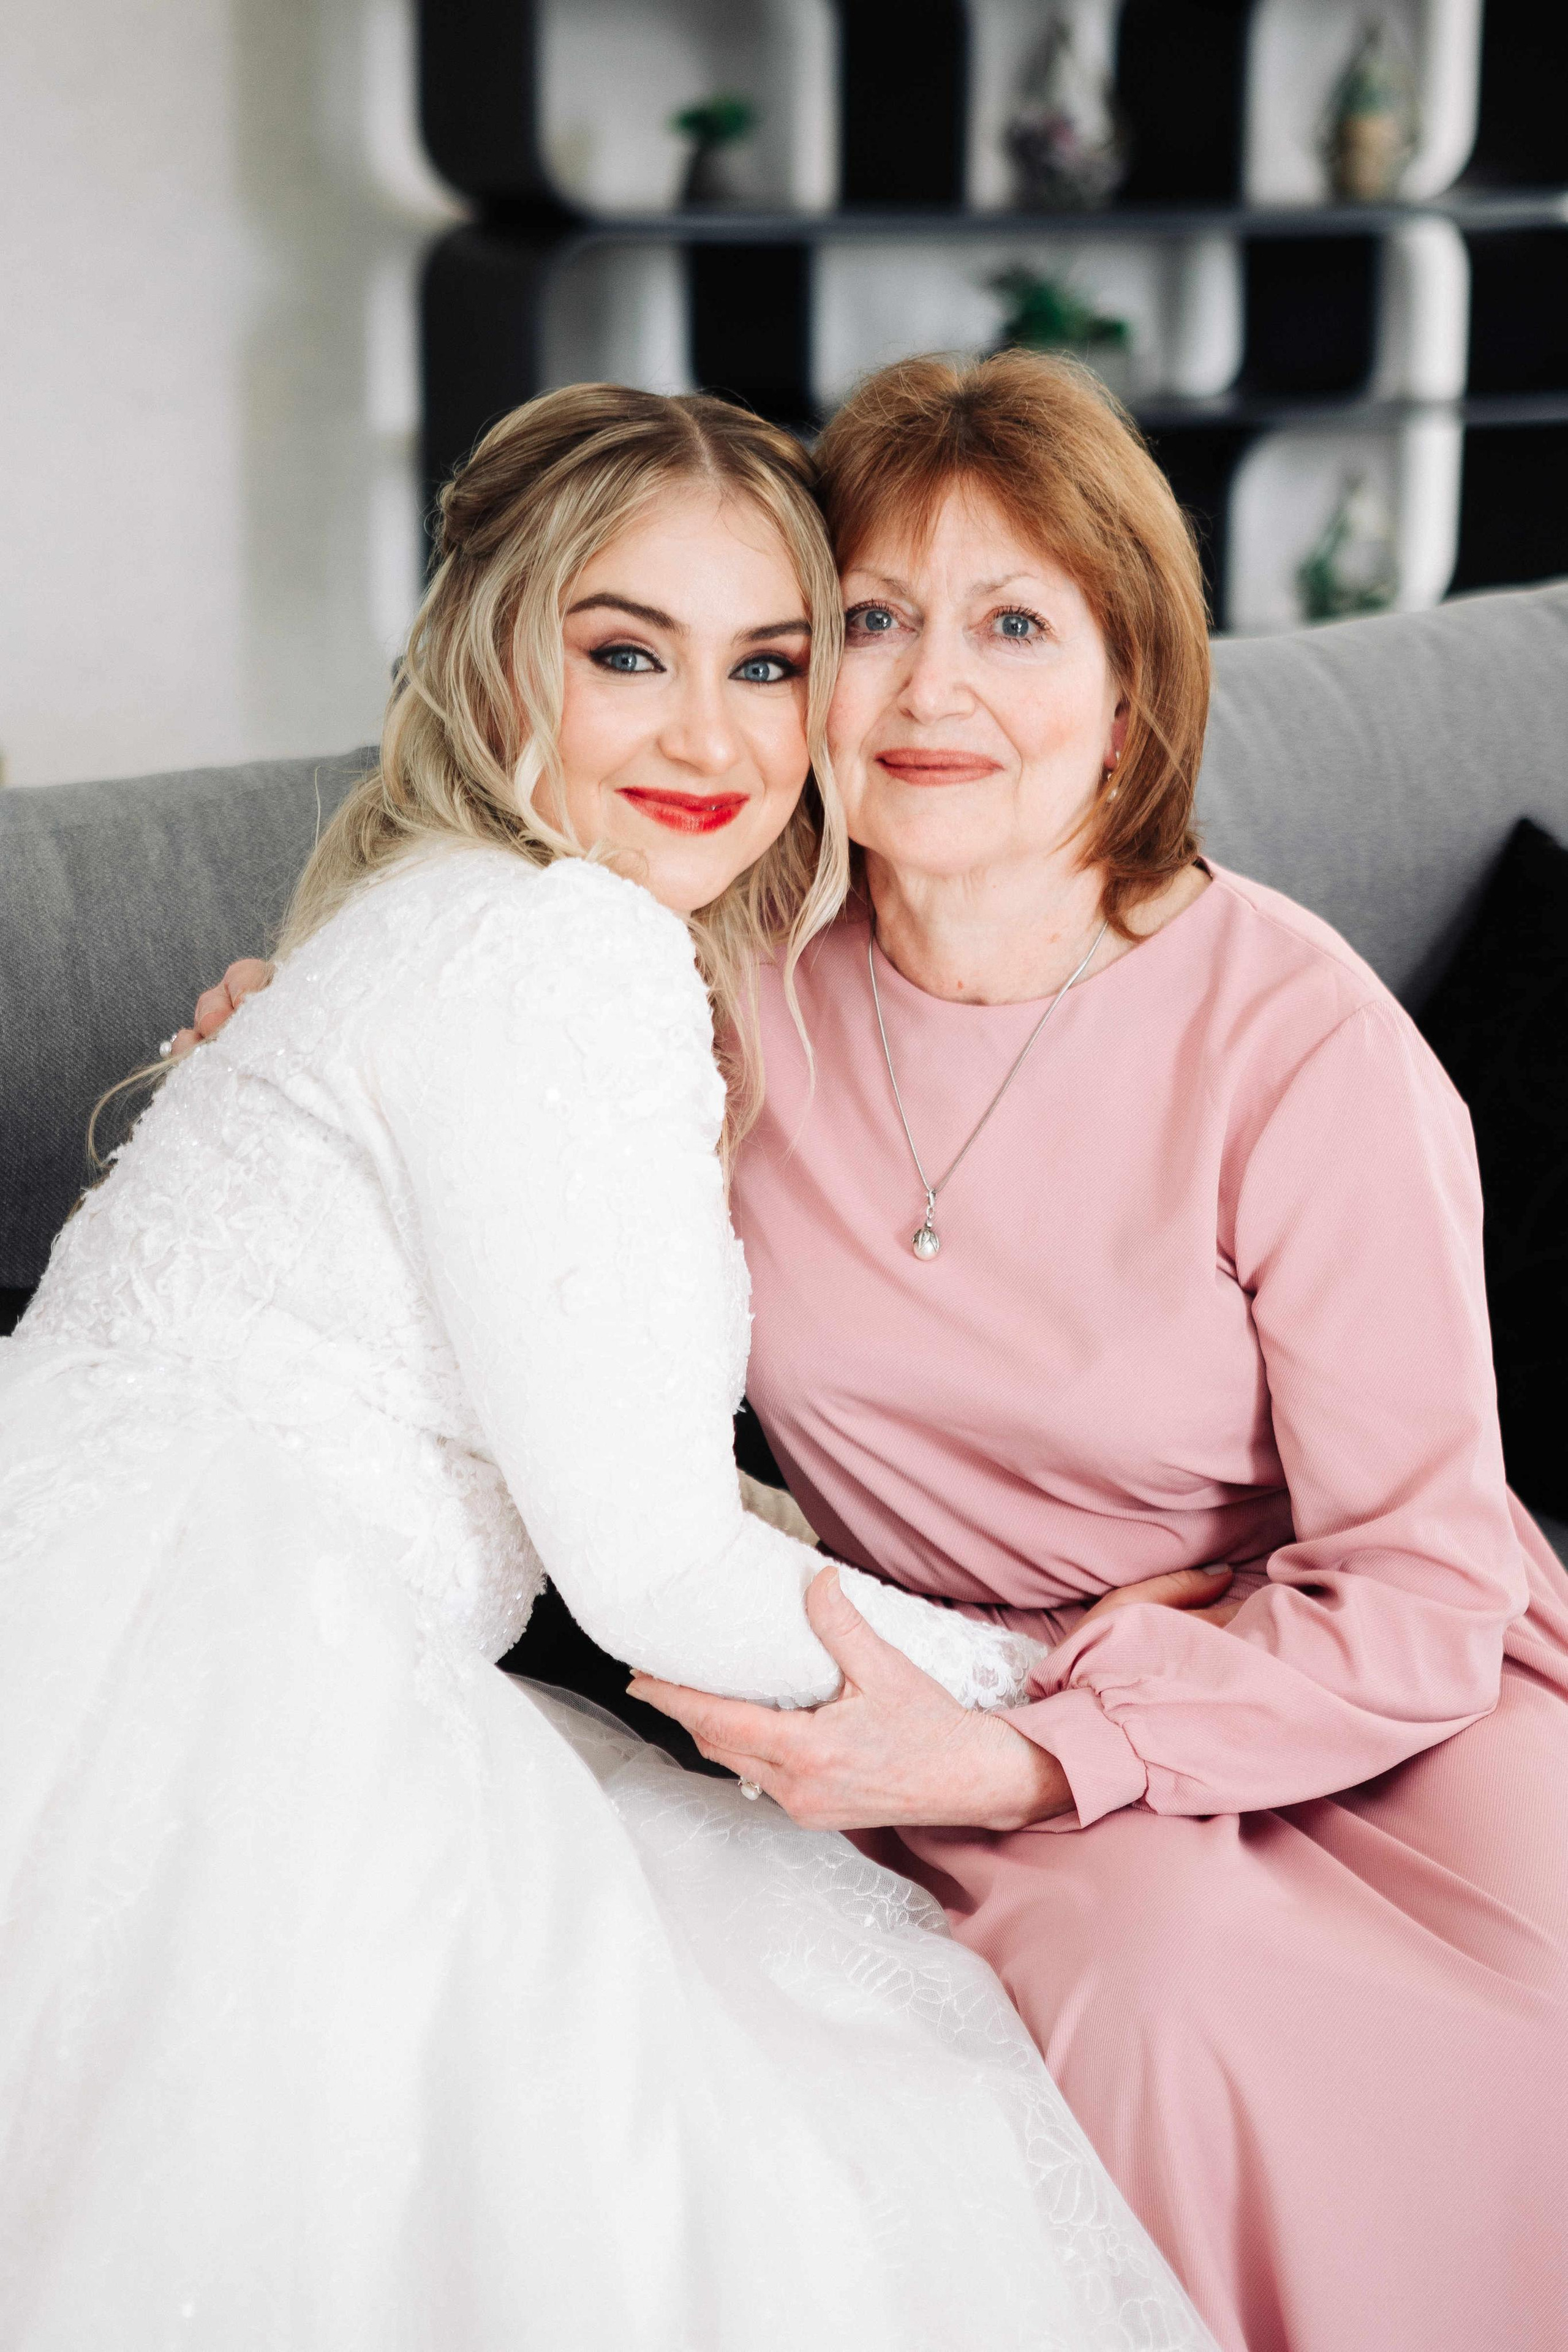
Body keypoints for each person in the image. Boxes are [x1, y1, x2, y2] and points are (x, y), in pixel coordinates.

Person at [0, 385, 1213, 2351]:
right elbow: (647, 1569)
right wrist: (1069, 1677)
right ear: (501, 650)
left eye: (770, 663)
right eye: (627, 653)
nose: (711, 737)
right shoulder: (560, 952)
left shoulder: (451, 914)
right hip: (233, 1677)